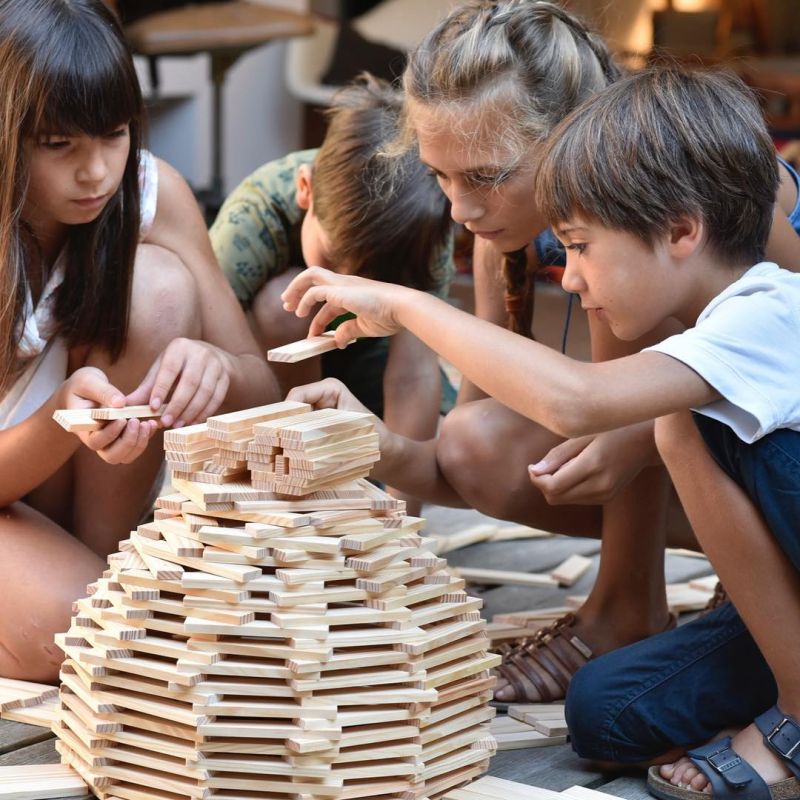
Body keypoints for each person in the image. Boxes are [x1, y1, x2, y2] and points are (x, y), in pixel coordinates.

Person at [282, 65, 800, 800]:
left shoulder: (770, 312)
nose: (572, 277)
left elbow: (578, 401)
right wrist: (376, 442)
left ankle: (796, 716)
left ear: (683, 229)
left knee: (679, 425)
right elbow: (524, 429)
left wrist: (408, 307)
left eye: (583, 247)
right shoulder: (713, 329)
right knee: (604, 717)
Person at [0, 0, 278, 681]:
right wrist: (63, 417)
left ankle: (107, 571)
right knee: (72, 626)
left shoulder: (152, 193)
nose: (96, 172)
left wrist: (213, 367)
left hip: (87, 500)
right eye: (59, 145)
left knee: (156, 285)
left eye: (114, 135)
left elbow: (264, 390)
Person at [209, 74, 454, 513]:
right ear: (304, 190)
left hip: (370, 365)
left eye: (368, 280)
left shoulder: (421, 229)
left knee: (440, 449)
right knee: (282, 305)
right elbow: (221, 352)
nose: (343, 296)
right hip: (272, 375)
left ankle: (350, 481)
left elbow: (413, 375)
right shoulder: (253, 216)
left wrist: (401, 521)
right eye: (331, 261)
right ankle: (298, 479)